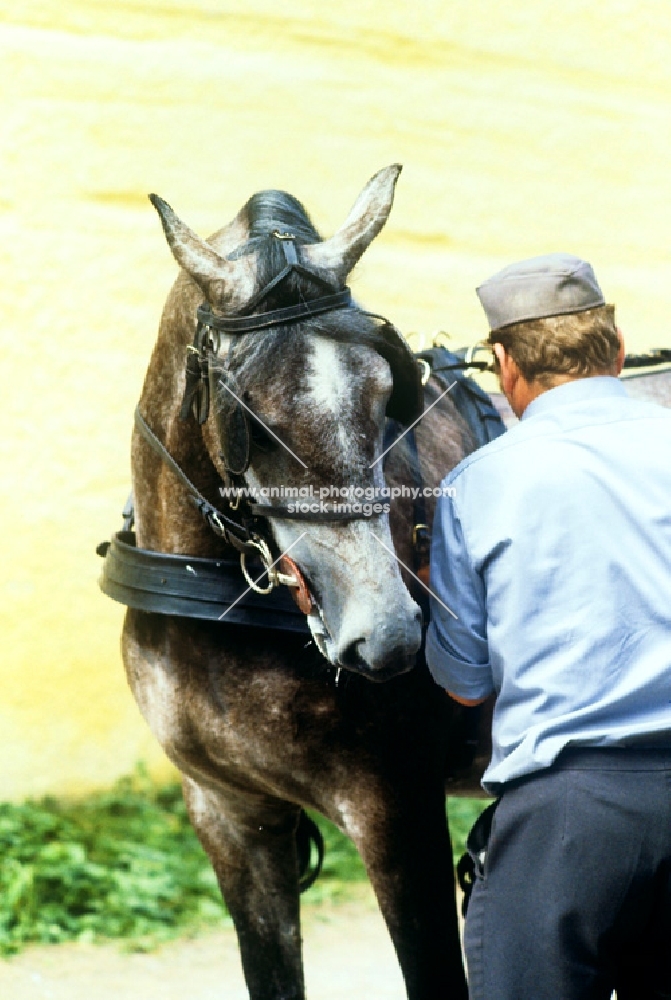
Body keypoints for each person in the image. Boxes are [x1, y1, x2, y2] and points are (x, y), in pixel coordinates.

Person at [425, 253, 671, 1000]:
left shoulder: (480, 483)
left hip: (569, 818)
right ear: (618, 349)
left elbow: (465, 686)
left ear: (504, 366)